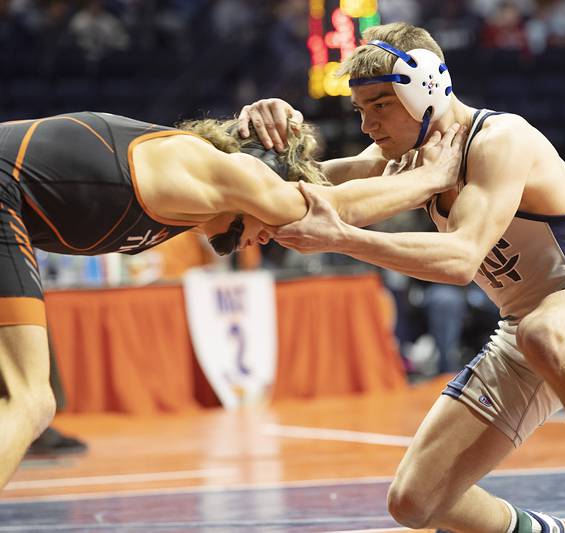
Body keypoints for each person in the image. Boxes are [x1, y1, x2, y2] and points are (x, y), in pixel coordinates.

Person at [241, 22, 565, 533]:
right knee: (415, 502)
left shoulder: (501, 139)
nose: (367, 126)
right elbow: (305, 189)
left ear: (424, 87)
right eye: (361, 110)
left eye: (380, 105)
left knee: (544, 331)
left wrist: (344, 239)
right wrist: (257, 142)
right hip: (522, 331)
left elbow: (460, 260)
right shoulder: (402, 156)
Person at [0, 109, 466, 488]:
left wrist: (374, 162)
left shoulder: (200, 181)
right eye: (269, 223)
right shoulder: (219, 170)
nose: (267, 238)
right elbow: (329, 211)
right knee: (31, 400)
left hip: (11, 196)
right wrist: (430, 178)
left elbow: (314, 185)